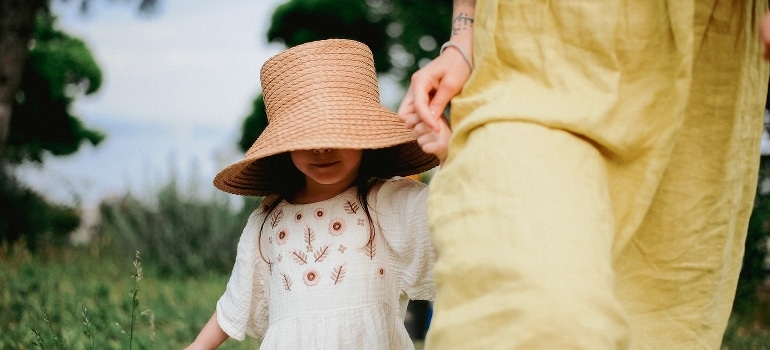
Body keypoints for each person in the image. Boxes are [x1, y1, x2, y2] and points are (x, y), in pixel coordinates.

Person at [398, 0, 770, 349]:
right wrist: (465, 34)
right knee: (526, 308)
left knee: (655, 319)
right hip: (526, 49)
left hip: (696, 71)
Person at [185, 38, 443, 350]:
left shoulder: (389, 202)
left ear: (364, 133)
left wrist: (447, 150)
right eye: (306, 136)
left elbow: (450, 212)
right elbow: (236, 300)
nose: (322, 148)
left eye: (337, 132)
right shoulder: (268, 220)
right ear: (285, 144)